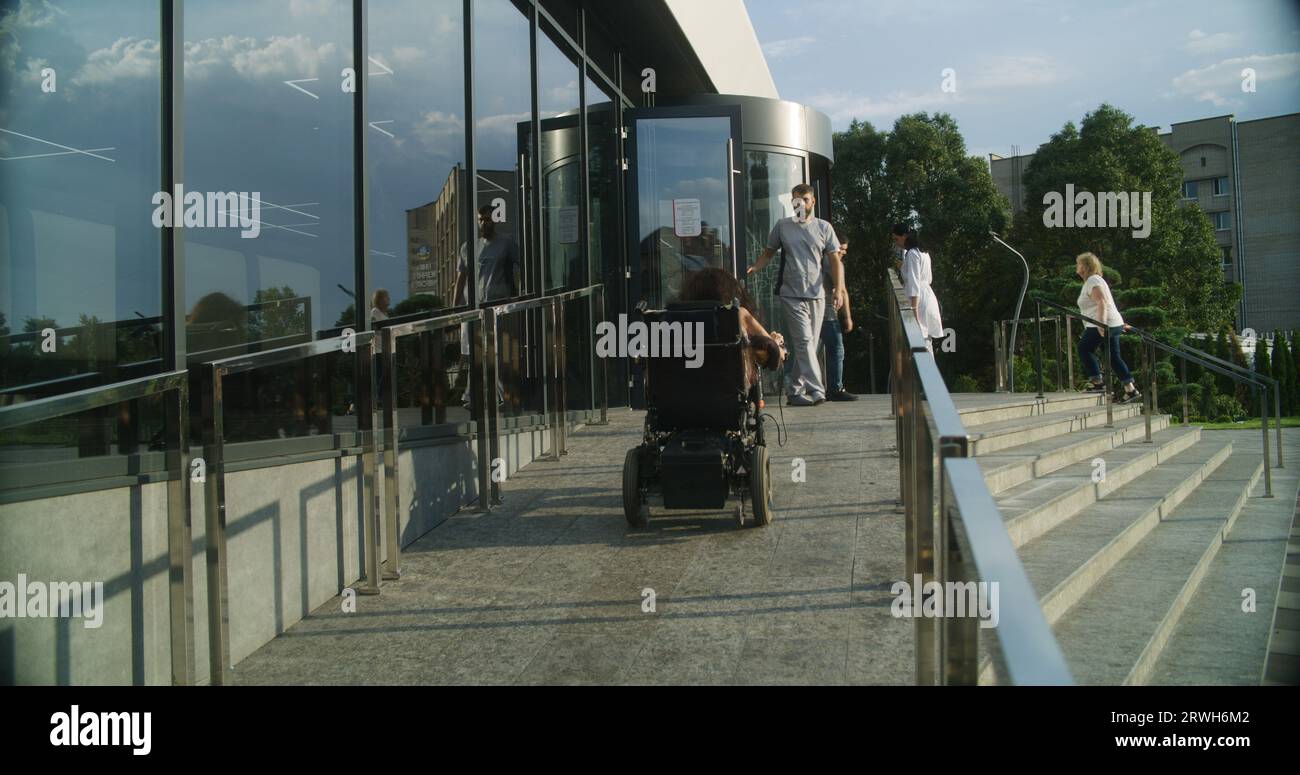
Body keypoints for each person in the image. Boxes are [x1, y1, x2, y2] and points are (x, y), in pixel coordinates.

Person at [747, 183, 843, 406]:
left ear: (812, 201)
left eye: (804, 200)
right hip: (791, 293)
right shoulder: (782, 226)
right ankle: (817, 390)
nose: (800, 204)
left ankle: (794, 391)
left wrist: (838, 289)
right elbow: (768, 253)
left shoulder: (824, 228)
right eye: (795, 200)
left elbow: (835, 260)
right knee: (803, 341)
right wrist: (755, 267)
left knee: (809, 344)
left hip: (817, 294)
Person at [678, 267, 786, 387]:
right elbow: (777, 354)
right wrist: (775, 342)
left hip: (683, 392)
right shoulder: (737, 314)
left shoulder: (674, 319)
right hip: (727, 393)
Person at [1074, 252, 1140, 402]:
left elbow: (1102, 302)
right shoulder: (1096, 280)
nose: (1077, 267)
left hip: (1102, 323)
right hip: (1112, 322)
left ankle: (1097, 382)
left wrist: (1101, 324)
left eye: (1079, 264)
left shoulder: (1092, 280)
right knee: (1113, 357)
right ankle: (1130, 390)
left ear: (1085, 267)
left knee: (1084, 348)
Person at [894, 223, 943, 352]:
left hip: (918, 300)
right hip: (927, 295)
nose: (896, 243)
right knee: (926, 341)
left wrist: (913, 311)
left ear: (904, 236)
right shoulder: (924, 252)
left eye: (896, 239)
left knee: (919, 340)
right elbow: (927, 278)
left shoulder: (912, 254)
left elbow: (914, 283)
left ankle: (925, 370)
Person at [821, 235, 856, 401]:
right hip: (827, 314)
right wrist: (847, 317)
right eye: (840, 249)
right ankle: (835, 388)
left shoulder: (826, 261)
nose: (842, 253)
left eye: (845, 250)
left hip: (824, 312)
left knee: (819, 350)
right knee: (836, 349)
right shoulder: (832, 263)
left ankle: (825, 387)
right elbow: (842, 290)